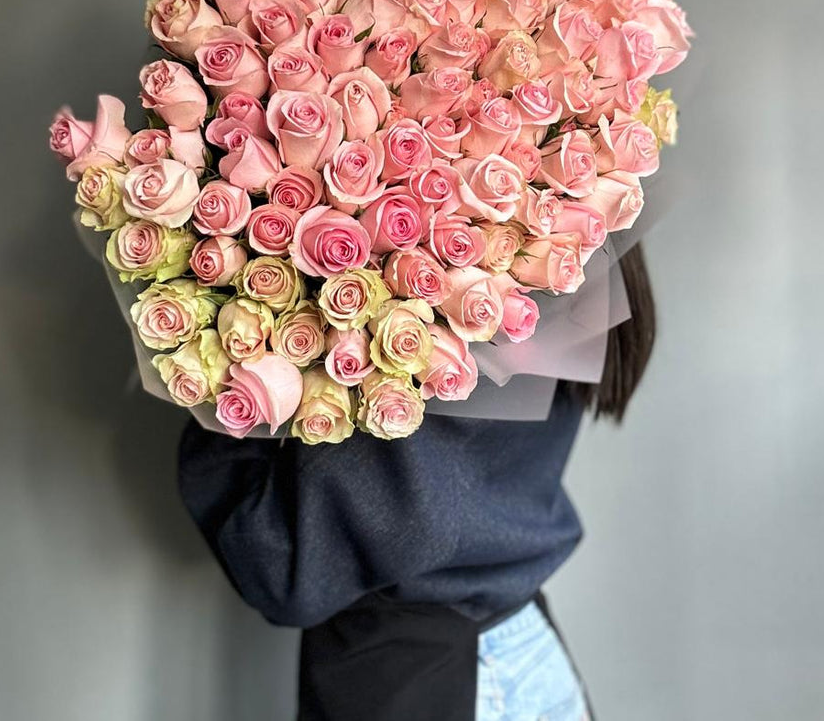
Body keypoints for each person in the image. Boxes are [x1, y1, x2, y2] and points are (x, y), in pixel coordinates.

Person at [177, 243, 657, 721]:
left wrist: (221, 394)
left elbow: (286, 577)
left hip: (427, 684)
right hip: (527, 662)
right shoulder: (558, 251)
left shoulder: (418, 302)